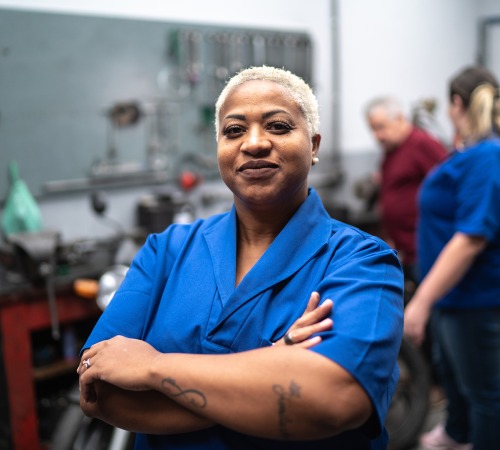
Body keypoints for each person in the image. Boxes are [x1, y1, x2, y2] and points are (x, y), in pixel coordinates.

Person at [77, 66, 404, 450]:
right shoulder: (165, 251)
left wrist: (152, 367)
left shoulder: (361, 263)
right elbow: (100, 391)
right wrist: (273, 365)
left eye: (278, 126)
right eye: (233, 130)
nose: (254, 143)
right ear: (219, 148)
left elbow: (332, 400)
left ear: (313, 146)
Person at [404, 65, 500, 450]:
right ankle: (457, 435)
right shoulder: (472, 152)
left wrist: (421, 303)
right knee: (457, 379)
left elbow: (471, 238)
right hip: (452, 296)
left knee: (486, 395)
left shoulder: (488, 156)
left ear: (456, 103)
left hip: (475, 298)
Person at [365, 97, 448, 283]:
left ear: (400, 119)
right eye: (373, 129)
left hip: (427, 251)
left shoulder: (422, 144)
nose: (377, 135)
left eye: (381, 127)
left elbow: (449, 189)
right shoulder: (391, 150)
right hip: (406, 251)